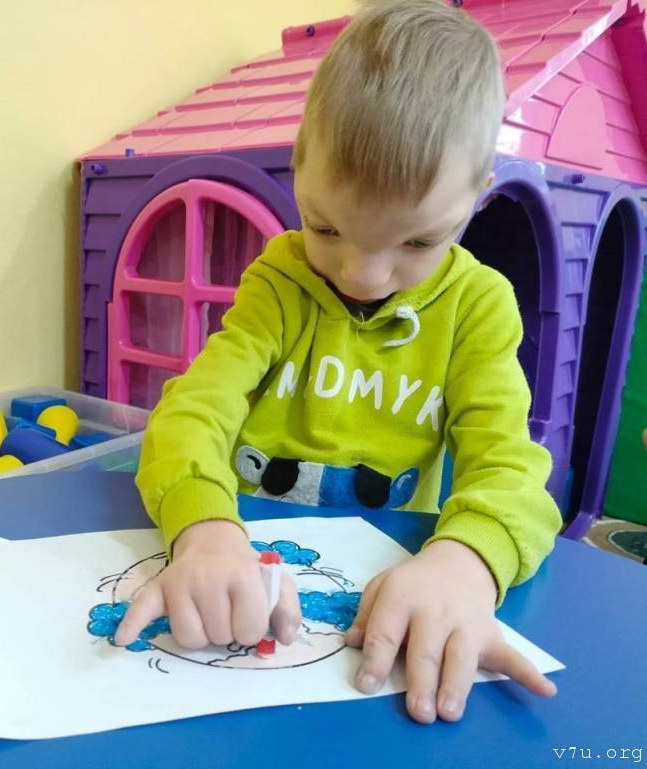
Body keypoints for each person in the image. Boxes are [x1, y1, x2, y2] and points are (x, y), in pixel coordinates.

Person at [114, 0, 561, 723]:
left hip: (381, 607)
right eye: (325, 226)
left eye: (416, 242)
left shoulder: (477, 307)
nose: (361, 274)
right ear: (298, 164)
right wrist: (204, 530)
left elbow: (509, 466)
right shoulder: (279, 280)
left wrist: (467, 564)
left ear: (477, 198)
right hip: (251, 578)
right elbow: (194, 410)